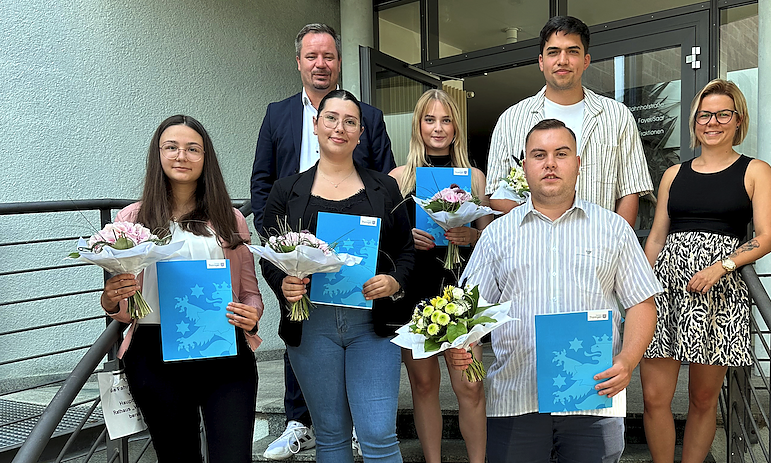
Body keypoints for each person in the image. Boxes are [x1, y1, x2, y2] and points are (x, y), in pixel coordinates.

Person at [446, 119, 661, 463]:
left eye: (561, 154)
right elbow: (467, 309)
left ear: (578, 164)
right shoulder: (497, 235)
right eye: (538, 154)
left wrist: (628, 360)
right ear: (524, 167)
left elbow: (642, 302)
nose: (550, 163)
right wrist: (463, 346)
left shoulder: (614, 229)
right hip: (516, 400)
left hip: (593, 399)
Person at [250, 23, 395, 460]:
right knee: (304, 334)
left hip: (362, 291)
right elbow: (262, 184)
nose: (320, 63)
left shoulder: (366, 115)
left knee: (374, 430)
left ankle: (346, 427)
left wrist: (389, 273)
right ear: (299, 62)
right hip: (301, 273)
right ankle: (299, 421)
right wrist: (283, 256)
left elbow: (387, 184)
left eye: (328, 56)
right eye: (311, 56)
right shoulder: (277, 114)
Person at [100, 115, 263, 462]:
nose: (181, 156)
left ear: (206, 158)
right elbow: (126, 308)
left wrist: (252, 314)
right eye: (171, 147)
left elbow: (250, 293)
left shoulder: (229, 218)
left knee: (233, 457)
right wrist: (111, 299)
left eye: (193, 149)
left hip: (224, 350)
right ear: (157, 154)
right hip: (154, 354)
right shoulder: (132, 220)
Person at [640, 79, 771, 463]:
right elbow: (656, 237)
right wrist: (640, 285)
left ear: (738, 120)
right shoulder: (673, 174)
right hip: (665, 290)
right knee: (654, 397)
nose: (712, 122)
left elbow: (767, 236)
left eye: (723, 114)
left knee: (703, 398)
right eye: (705, 114)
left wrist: (722, 266)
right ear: (695, 122)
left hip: (718, 293)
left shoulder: (756, 171)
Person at [388, 89, 491, 463]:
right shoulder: (398, 178)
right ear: (417, 125)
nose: (438, 127)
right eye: (429, 119)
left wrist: (472, 235)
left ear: (456, 127)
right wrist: (405, 237)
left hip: (461, 292)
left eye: (446, 119)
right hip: (415, 292)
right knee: (424, 385)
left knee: (471, 384)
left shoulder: (473, 177)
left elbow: (492, 238)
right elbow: (386, 246)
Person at [485, 16, 652, 226]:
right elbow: (495, 193)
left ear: (586, 61)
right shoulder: (511, 120)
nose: (562, 60)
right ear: (541, 61)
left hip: (597, 246)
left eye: (572, 51)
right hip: (531, 248)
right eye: (553, 52)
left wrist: (614, 244)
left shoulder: (617, 116)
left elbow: (630, 191)